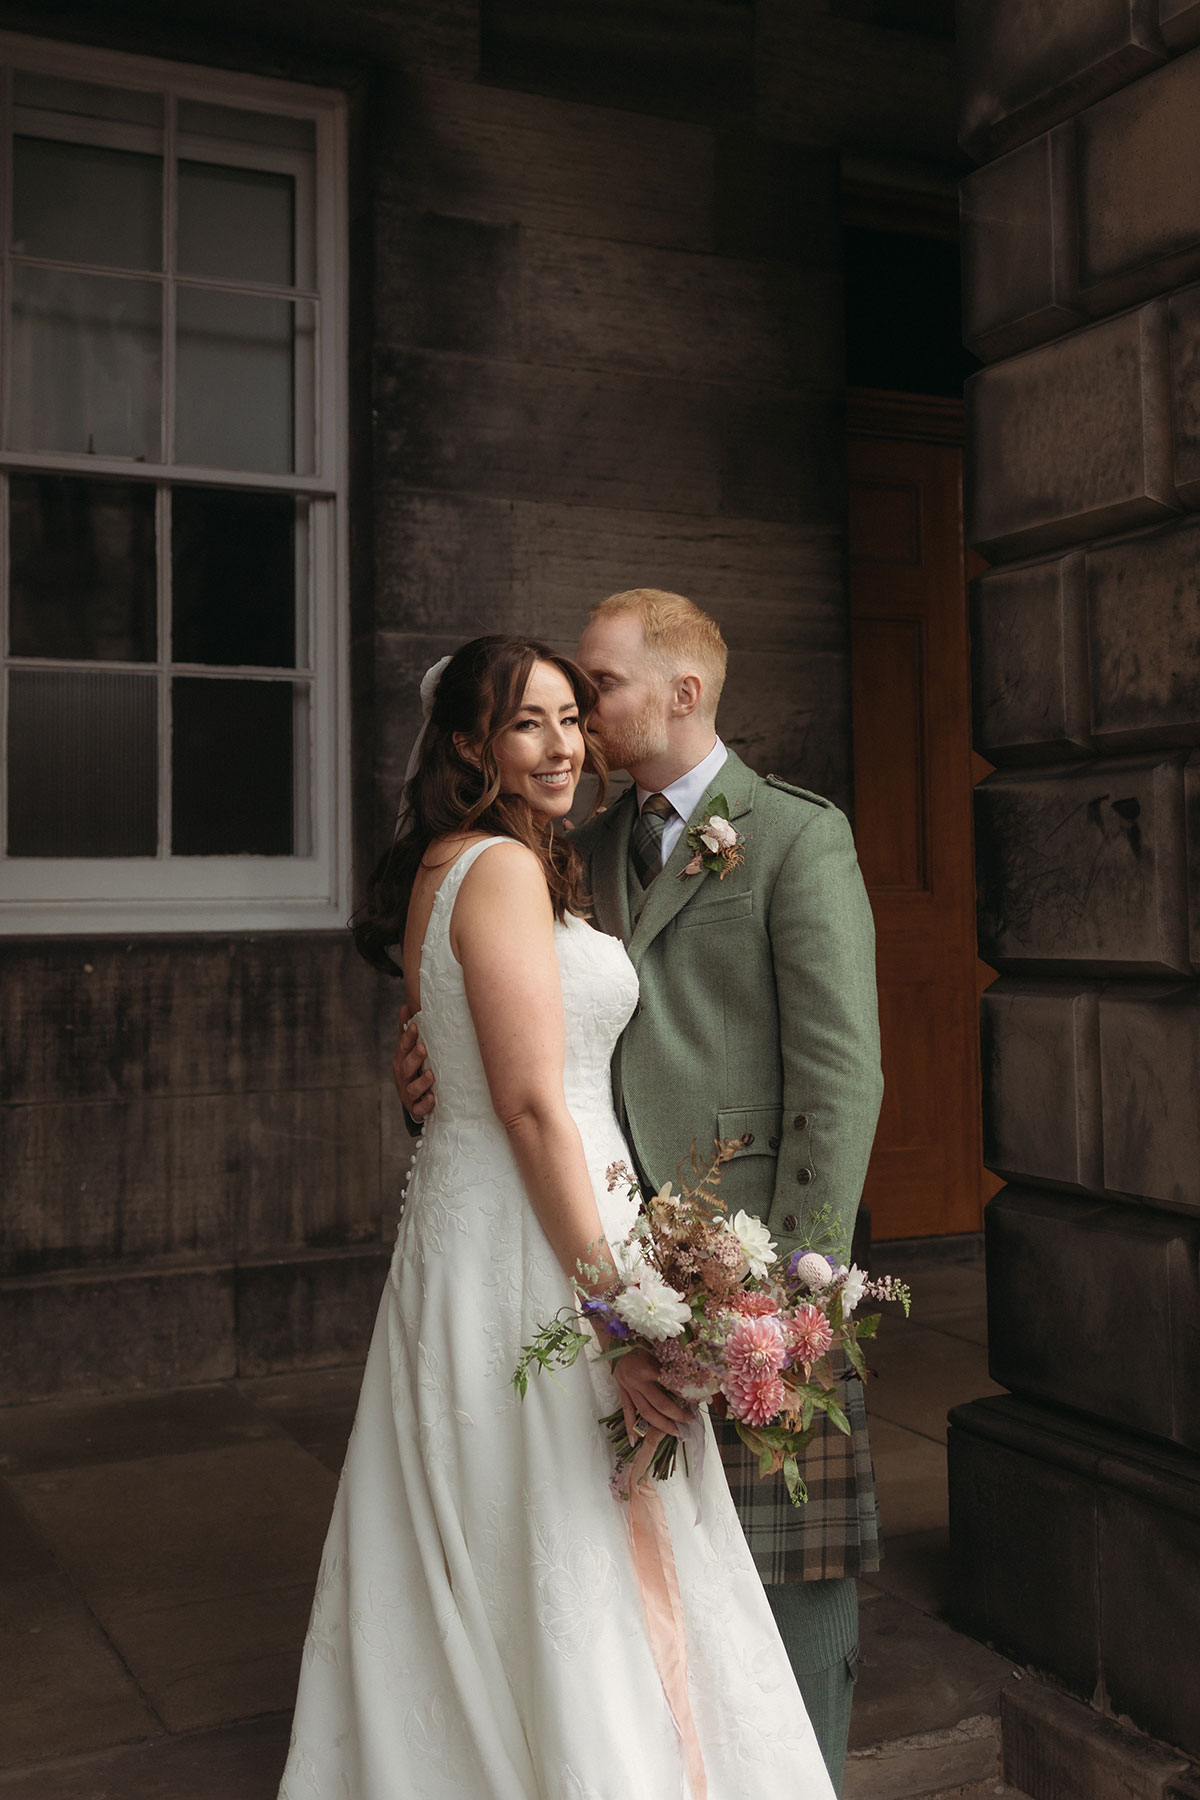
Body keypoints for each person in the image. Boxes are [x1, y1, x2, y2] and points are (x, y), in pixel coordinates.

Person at [278, 633, 836, 1800]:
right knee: (573, 1525)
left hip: (498, 1218)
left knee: (517, 1521)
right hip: (535, 1237)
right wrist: (617, 1317)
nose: (562, 745)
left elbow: (482, 1056)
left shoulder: (480, 861)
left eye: (572, 719)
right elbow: (532, 1106)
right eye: (528, 723)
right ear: (470, 745)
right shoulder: (500, 867)